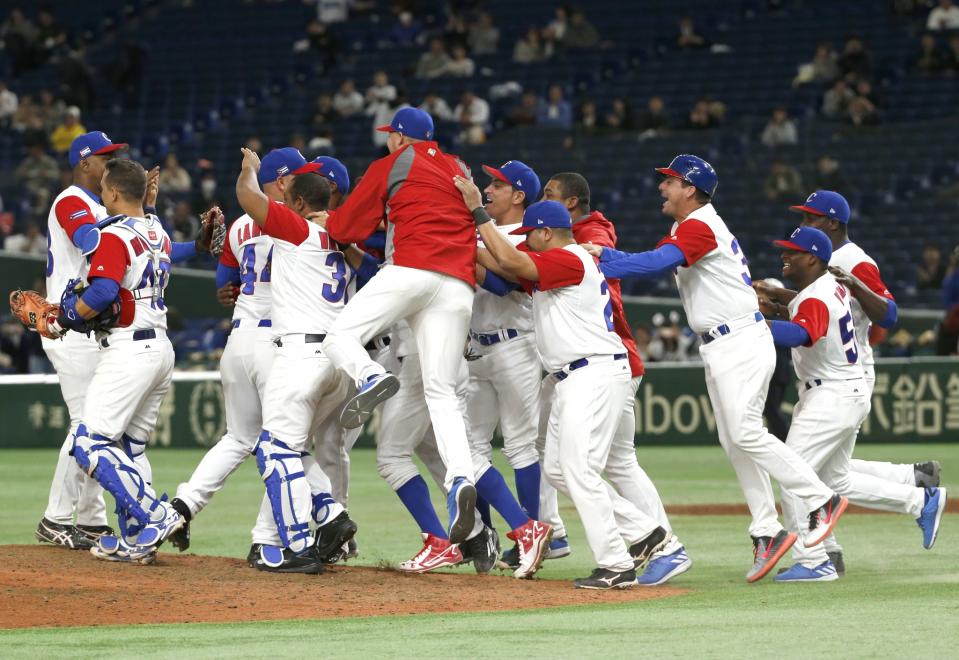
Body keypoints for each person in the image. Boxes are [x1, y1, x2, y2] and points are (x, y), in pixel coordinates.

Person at [587, 155, 849, 583]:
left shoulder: (701, 225)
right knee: (734, 441)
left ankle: (821, 499)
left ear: (691, 188)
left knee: (746, 432)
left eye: (669, 181)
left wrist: (600, 260)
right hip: (722, 343)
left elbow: (654, 264)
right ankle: (766, 529)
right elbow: (655, 258)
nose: (662, 188)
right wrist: (607, 255)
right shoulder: (687, 227)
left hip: (741, 338)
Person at [455, 192, 664, 590]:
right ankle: (646, 532)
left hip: (594, 371)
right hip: (575, 375)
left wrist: (476, 213)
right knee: (556, 469)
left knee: (579, 471)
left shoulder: (569, 259)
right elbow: (503, 266)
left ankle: (617, 562)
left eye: (530, 235)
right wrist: (464, 237)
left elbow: (513, 261)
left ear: (546, 233)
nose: (526, 241)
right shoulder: (560, 263)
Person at [36, 131, 217, 552]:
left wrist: (143, 215)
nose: (113, 160)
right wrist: (140, 215)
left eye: (117, 155)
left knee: (102, 433)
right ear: (85, 164)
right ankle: (60, 518)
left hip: (103, 328)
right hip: (73, 324)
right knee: (90, 427)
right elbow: (94, 241)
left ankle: (102, 521)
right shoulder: (72, 201)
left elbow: (150, 248)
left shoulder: (112, 209)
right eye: (106, 156)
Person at [756, 191, 946, 573]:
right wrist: (782, 298)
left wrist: (855, 285)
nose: (804, 224)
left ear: (832, 223)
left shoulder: (853, 260)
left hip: (843, 371)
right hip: (837, 369)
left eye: (811, 219)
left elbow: (889, 315)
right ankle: (913, 490)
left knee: (797, 472)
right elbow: (817, 303)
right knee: (834, 476)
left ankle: (814, 558)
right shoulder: (821, 270)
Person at [314, 107, 479, 545]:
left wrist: (328, 225)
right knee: (440, 391)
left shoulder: (393, 164)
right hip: (459, 285)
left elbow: (348, 227)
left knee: (341, 337)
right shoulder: (458, 168)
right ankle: (461, 480)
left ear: (400, 138)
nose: (387, 141)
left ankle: (371, 375)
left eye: (391, 135)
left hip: (412, 269)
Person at [168, 148, 319, 560]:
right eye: (298, 176)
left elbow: (225, 280)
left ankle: (181, 507)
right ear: (284, 182)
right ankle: (270, 538)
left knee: (238, 438)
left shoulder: (240, 226)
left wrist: (227, 289)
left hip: (238, 341)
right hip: (277, 344)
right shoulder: (298, 221)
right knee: (288, 445)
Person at [544, 172, 689, 586]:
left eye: (551, 195)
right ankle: (657, 542)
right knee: (589, 466)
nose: (544, 201)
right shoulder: (576, 234)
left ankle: (662, 545)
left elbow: (601, 247)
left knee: (608, 465)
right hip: (608, 362)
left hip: (609, 359)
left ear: (570, 205)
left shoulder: (591, 230)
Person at [234, 148, 358, 572]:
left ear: (301, 204)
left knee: (275, 450)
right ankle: (330, 512)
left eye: (291, 201)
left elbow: (248, 198)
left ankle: (297, 546)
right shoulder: (344, 240)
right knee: (295, 448)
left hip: (301, 354)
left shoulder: (298, 228)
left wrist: (250, 167)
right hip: (339, 360)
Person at [65, 158, 185, 564]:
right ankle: (139, 539)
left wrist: (65, 316)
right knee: (130, 449)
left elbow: (101, 294)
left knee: (90, 443)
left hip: (130, 349)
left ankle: (155, 514)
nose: (101, 193)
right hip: (161, 349)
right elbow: (166, 247)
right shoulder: (157, 229)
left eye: (104, 188)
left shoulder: (114, 236)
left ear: (114, 193)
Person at [465, 160, 561, 565]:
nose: (489, 188)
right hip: (474, 349)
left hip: (515, 345)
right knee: (470, 448)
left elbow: (506, 285)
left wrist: (469, 250)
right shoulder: (479, 233)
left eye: (497, 184)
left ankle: (531, 538)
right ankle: (497, 534)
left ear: (518, 195)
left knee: (520, 446)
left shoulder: (526, 237)